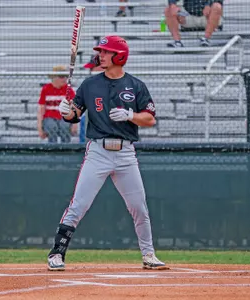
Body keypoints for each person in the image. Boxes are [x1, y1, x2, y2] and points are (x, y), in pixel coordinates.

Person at [47, 35, 167, 271]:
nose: (100, 55)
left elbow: (150, 119)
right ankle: (57, 253)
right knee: (79, 204)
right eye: (100, 51)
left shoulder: (136, 85)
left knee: (139, 207)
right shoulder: (90, 84)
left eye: (105, 51)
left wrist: (130, 116)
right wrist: (65, 112)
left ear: (119, 56)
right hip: (98, 152)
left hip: (125, 154)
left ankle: (149, 254)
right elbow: (75, 114)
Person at [37, 65, 78, 143]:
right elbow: (41, 110)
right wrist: (39, 128)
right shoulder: (46, 89)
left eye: (66, 76)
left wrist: (74, 125)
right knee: (51, 126)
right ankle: (52, 149)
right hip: (49, 117)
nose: (65, 79)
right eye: (62, 76)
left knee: (65, 125)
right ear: (54, 77)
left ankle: (66, 149)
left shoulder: (68, 90)